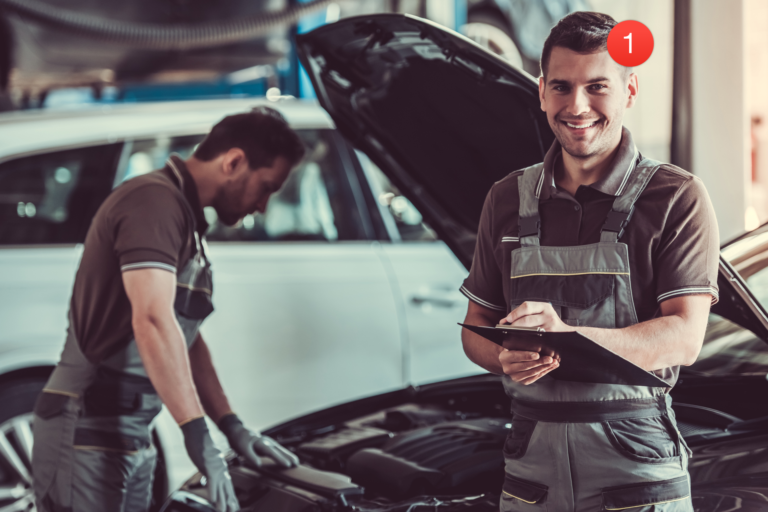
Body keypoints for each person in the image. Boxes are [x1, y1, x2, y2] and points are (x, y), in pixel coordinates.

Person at [460, 12, 719, 512]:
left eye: (597, 86)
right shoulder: (506, 199)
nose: (577, 106)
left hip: (636, 465)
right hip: (531, 466)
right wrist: (501, 357)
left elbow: (684, 339)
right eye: (561, 86)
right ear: (541, 92)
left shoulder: (675, 196)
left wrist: (565, 338)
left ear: (629, 90)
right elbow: (476, 327)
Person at [31, 107, 306, 512]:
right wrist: (198, 439)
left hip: (128, 433)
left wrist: (231, 426)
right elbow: (154, 321)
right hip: (87, 429)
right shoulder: (154, 202)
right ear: (233, 162)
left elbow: (184, 338)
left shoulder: (185, 217)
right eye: (266, 187)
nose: (264, 205)